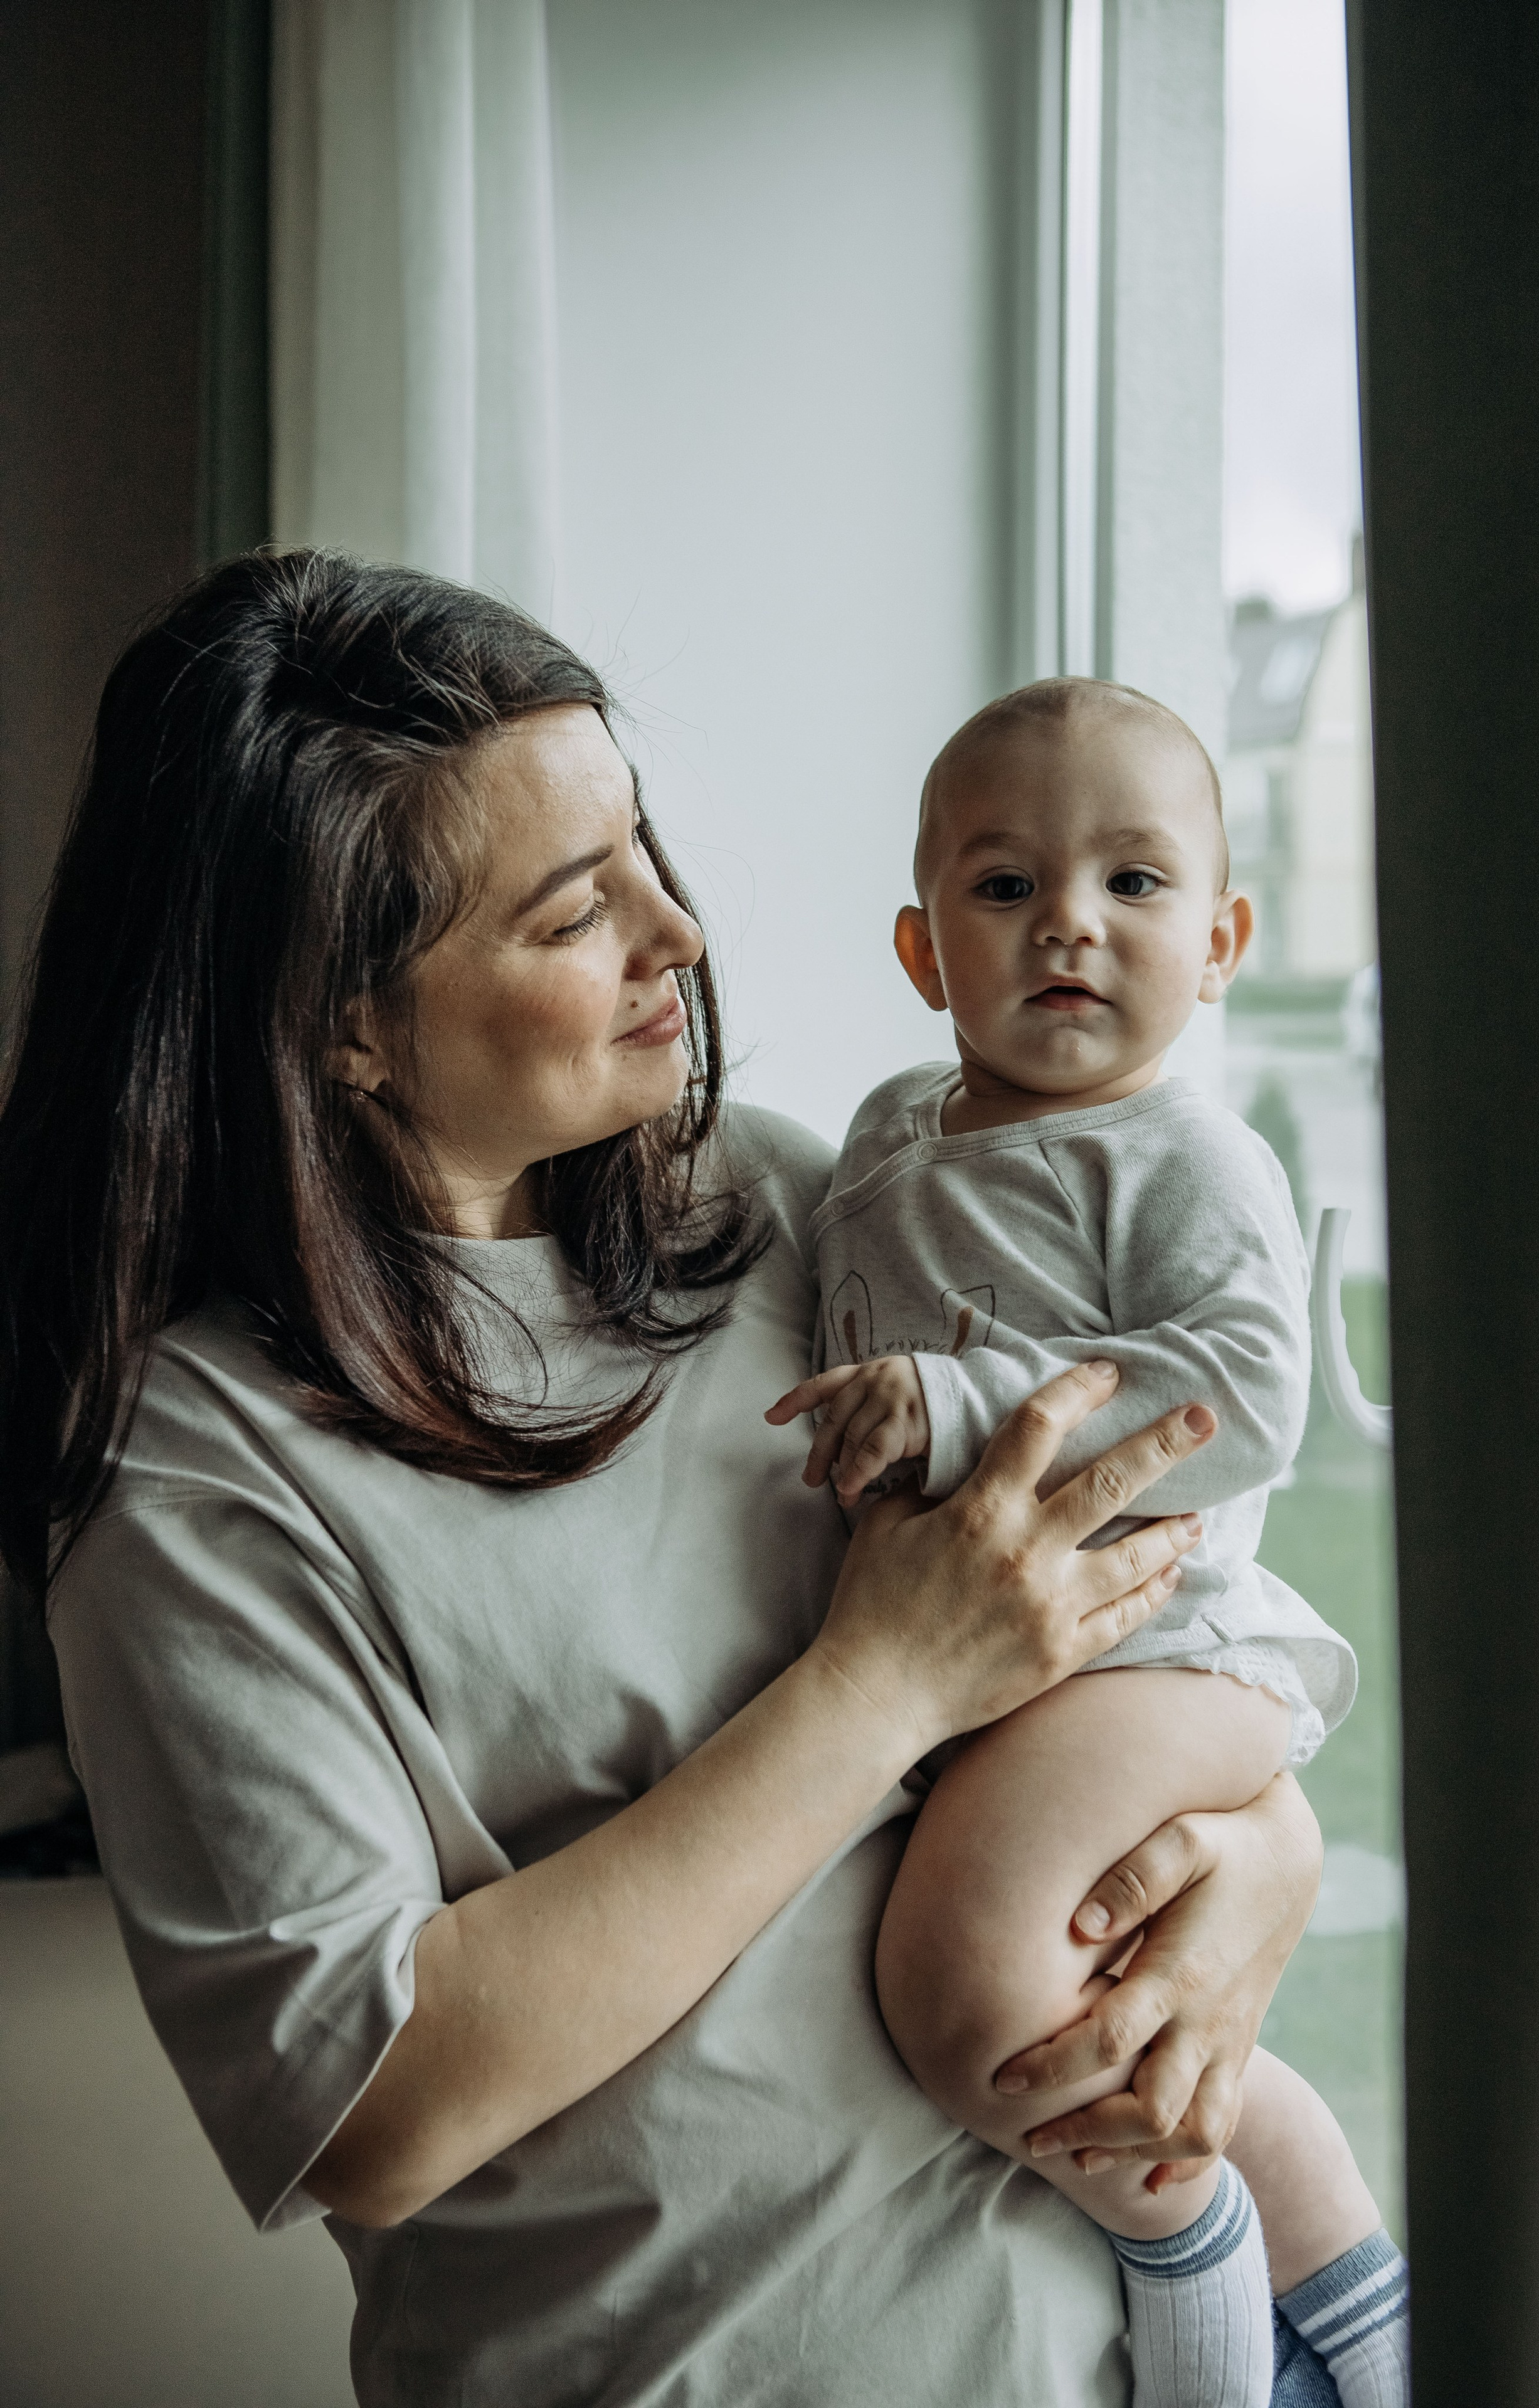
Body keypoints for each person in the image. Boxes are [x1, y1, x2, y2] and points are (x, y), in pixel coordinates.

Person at [0, 554, 1328, 2408]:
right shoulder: (194, 1478)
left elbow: (1141, 1586)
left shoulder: (798, 1208)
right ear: (342, 1024)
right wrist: (878, 1687)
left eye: (645, 852)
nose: (678, 938)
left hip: (1106, 2350)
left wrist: (1262, 1849)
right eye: (571, 916)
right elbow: (373, 2111)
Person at [768, 677, 1409, 2408]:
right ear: (922, 951)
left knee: (978, 2002)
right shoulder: (890, 1132)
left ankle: (1206, 2316)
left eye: (1134, 884)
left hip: (1158, 1644)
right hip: (1018, 1671)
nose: (1070, 924)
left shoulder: (1184, 1152)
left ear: (1222, 940)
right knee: (1137, 2013)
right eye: (1006, 888)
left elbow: (1250, 1392)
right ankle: (1361, 2311)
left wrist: (958, 1406)